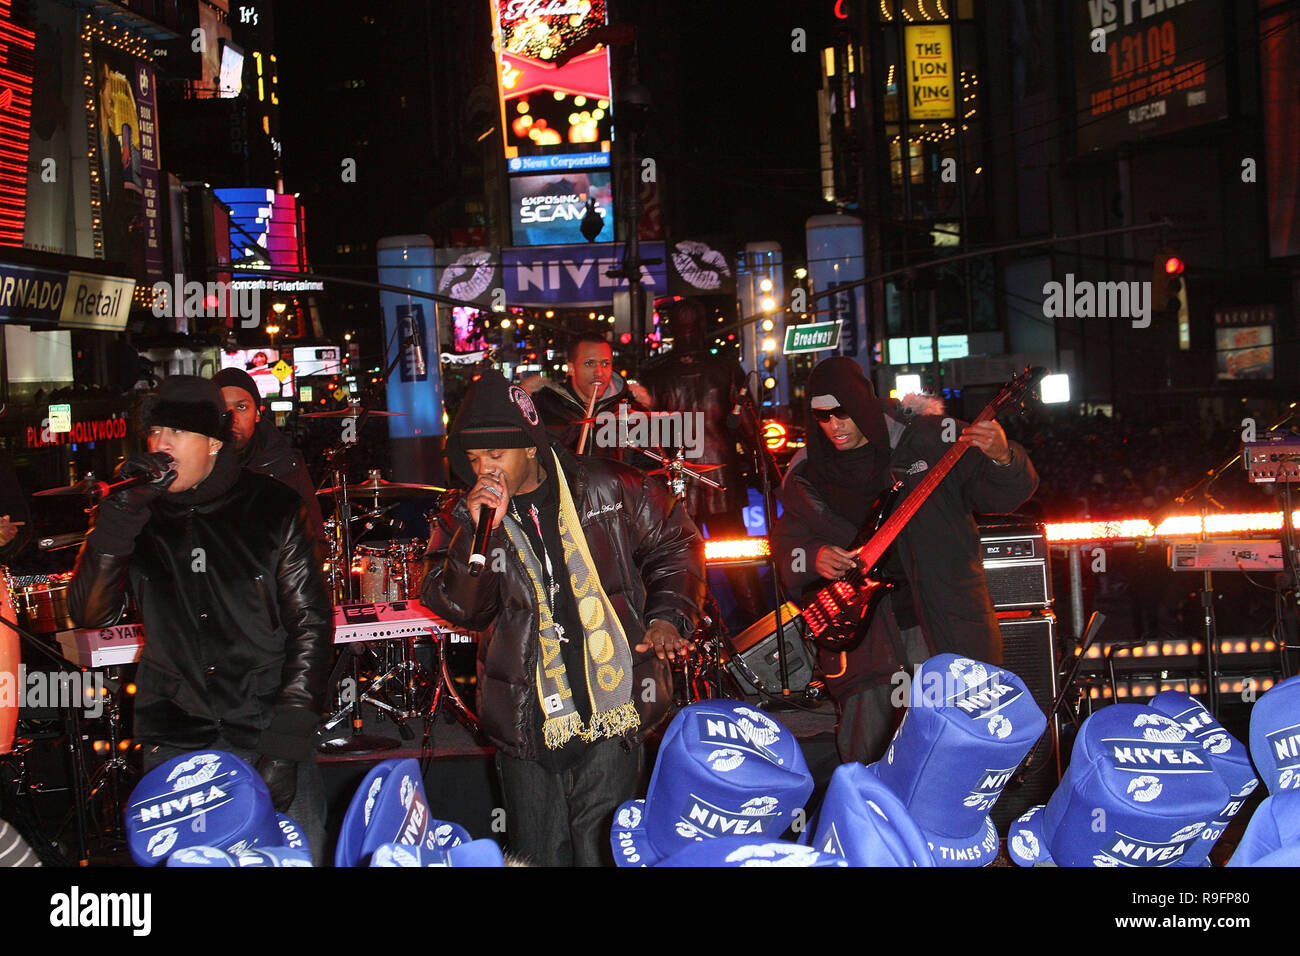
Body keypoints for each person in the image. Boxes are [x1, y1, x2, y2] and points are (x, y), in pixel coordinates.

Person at [421, 371, 705, 866]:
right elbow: (464, 608)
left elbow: (676, 544)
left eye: (496, 456)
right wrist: (474, 534)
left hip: (612, 701)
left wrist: (667, 617)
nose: (484, 471)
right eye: (473, 460)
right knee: (537, 854)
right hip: (528, 714)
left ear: (530, 446)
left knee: (603, 851)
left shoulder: (610, 486)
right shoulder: (461, 518)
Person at [67, 376, 332, 861]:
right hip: (174, 733)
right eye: (155, 431)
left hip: (265, 727)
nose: (160, 445)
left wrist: (287, 741)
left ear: (213, 443)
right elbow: (90, 612)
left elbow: (311, 626)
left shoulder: (272, 507)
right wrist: (119, 517)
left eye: (177, 432)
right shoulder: (137, 515)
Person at [772, 357, 1038, 766]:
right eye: (821, 416)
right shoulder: (807, 473)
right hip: (866, 644)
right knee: (869, 761)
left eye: (842, 413)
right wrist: (813, 557)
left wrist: (1004, 457)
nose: (833, 426)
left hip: (941, 624)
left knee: (955, 755)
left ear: (861, 404)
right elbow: (788, 547)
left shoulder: (927, 440)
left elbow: (1000, 496)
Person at [639, 299, 772, 621]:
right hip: (721, 479)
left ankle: (694, 636)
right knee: (740, 565)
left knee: (685, 566)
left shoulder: (655, 374)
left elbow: (645, 437)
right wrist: (765, 468)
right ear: (702, 328)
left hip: (677, 481)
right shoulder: (726, 369)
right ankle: (756, 632)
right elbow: (748, 426)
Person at [211, 367, 324, 536]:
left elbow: (314, 539)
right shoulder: (193, 464)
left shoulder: (286, 465)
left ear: (257, 413)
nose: (232, 418)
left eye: (241, 407)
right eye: (223, 409)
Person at [523, 332, 651, 461]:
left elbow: (653, 472)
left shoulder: (633, 414)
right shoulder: (545, 409)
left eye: (605, 364)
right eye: (590, 363)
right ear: (571, 369)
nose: (599, 373)